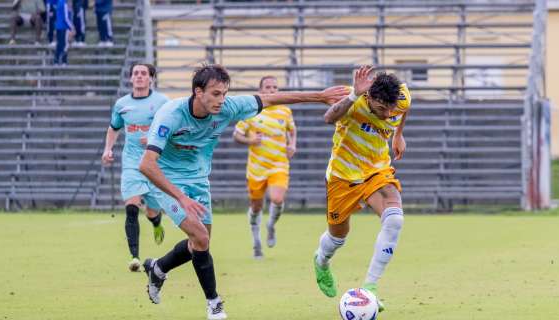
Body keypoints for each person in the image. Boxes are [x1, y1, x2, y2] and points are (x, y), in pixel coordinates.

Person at [139, 64, 348, 320]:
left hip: (198, 180)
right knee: (202, 238)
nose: (221, 100)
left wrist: (320, 96)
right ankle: (214, 305)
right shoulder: (171, 114)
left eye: (225, 93)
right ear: (198, 92)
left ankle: (158, 268)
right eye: (215, 94)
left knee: (199, 244)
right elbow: (146, 164)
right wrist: (180, 197)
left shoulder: (228, 107)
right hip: (166, 179)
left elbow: (271, 99)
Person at [312, 65, 411, 313]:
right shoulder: (354, 98)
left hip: (377, 170)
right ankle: (321, 261)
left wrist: (398, 134)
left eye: (391, 109)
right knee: (337, 237)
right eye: (381, 109)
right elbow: (328, 118)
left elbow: (404, 109)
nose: (388, 114)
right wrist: (353, 95)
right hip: (343, 175)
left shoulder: (400, 99)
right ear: (370, 97)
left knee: (395, 219)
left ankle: (371, 288)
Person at [102, 63, 170, 272]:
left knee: (151, 210)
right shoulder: (122, 104)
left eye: (144, 73)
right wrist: (108, 149)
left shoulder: (162, 102)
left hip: (155, 162)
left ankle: (156, 222)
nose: (139, 76)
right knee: (131, 206)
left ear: (151, 78)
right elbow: (114, 128)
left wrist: (152, 138)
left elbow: (171, 128)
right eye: (136, 73)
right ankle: (135, 257)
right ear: (130, 78)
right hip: (132, 163)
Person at [232, 75, 297, 259]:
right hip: (256, 169)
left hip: (279, 164)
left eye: (275, 87)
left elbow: (292, 130)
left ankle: (271, 226)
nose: (271, 90)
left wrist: (292, 144)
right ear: (261, 90)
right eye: (268, 87)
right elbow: (237, 135)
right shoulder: (252, 111)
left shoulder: (285, 110)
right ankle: (256, 243)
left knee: (277, 199)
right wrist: (250, 140)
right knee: (256, 206)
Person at [53, 0, 73, 65]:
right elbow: (66, 18)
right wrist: (72, 27)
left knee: (60, 44)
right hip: (63, 27)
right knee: (65, 44)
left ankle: (56, 61)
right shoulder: (64, 3)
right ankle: (63, 61)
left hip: (59, 26)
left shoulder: (59, 2)